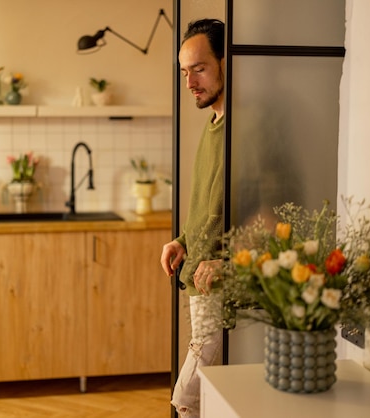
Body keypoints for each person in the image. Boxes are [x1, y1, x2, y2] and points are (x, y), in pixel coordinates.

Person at [160, 18, 226, 418]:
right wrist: (182, 240)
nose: (190, 83)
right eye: (185, 72)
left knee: (188, 400)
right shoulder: (212, 123)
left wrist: (229, 263)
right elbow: (209, 204)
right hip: (198, 286)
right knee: (205, 405)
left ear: (226, 61)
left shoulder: (248, 128)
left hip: (224, 288)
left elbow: (271, 216)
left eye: (199, 69)